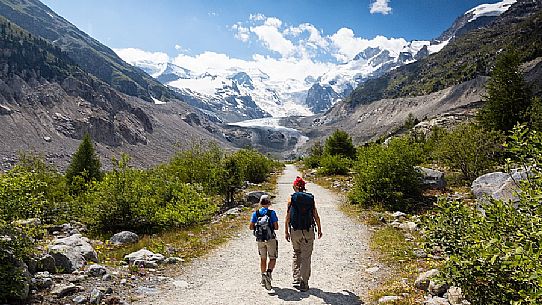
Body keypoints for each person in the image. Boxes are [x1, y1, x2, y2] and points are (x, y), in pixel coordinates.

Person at [285, 176, 322, 292]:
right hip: (308, 231)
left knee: (297, 253)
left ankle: (296, 279)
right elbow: (315, 215)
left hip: (295, 231)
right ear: (304, 186)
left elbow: (288, 216)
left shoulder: (291, 199)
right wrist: (319, 229)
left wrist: (286, 231)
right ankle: (304, 282)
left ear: (295, 186)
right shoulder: (310, 199)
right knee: (306, 257)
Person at [249, 194, 279, 290]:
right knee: (273, 258)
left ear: (260, 203)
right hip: (270, 239)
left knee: (263, 259)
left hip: (260, 240)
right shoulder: (272, 213)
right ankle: (269, 273)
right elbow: (276, 227)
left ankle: (263, 277)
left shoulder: (256, 213)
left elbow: (250, 227)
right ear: (269, 203)